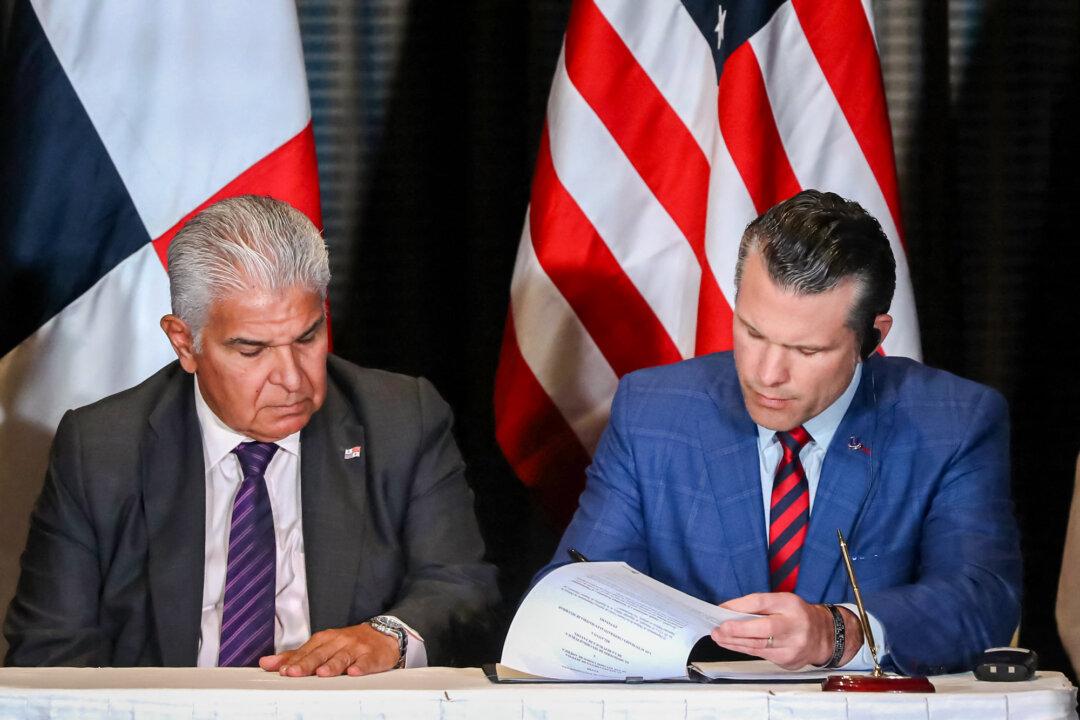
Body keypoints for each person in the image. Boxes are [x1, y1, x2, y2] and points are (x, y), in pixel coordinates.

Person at [4, 195, 498, 675]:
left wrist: (389, 635)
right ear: (185, 342)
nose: (292, 378)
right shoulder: (103, 447)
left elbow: (461, 586)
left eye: (307, 337)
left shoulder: (400, 420)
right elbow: (49, 651)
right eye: (252, 350)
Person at [537, 190, 1022, 676]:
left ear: (873, 337)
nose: (767, 374)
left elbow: (983, 598)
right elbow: (576, 589)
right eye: (753, 332)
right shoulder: (654, 412)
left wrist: (839, 631)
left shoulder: (954, 422)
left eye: (806, 351)